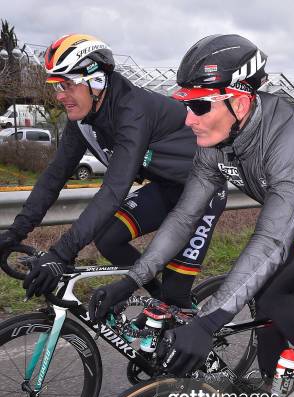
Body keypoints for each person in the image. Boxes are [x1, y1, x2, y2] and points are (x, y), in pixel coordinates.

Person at [89, 34, 294, 397]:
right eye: (183, 103)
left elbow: (270, 239)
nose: (187, 119)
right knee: (264, 307)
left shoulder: (288, 139)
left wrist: (209, 322)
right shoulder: (217, 140)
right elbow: (183, 217)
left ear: (239, 102)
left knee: (271, 279)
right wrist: (132, 279)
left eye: (197, 105)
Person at [0, 33, 226, 307]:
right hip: (168, 188)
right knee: (107, 238)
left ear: (96, 81)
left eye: (68, 84)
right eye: (57, 84)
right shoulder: (83, 119)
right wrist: (16, 232)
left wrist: (61, 253)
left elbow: (114, 190)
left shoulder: (133, 111)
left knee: (175, 293)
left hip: (203, 193)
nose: (60, 95)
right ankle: (158, 301)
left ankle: (183, 317)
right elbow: (54, 176)